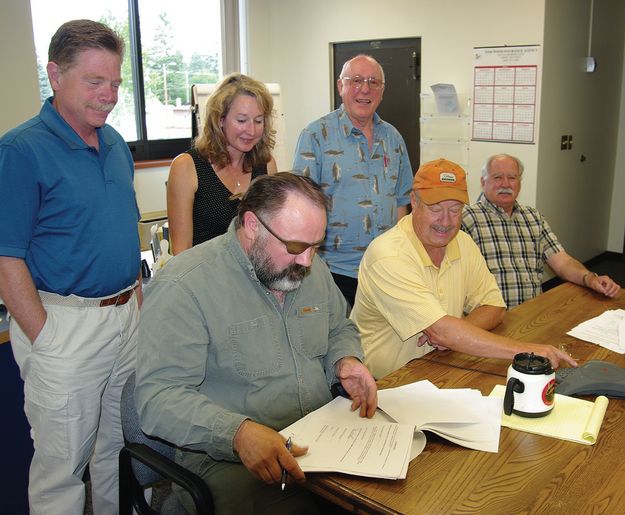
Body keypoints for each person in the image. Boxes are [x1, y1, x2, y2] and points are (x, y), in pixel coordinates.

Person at [135, 172, 377, 514]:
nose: (307, 261)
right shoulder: (185, 286)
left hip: (320, 438)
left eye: (315, 247)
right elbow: (157, 399)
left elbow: (339, 326)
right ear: (252, 226)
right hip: (226, 460)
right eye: (295, 247)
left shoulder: (309, 267)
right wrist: (237, 434)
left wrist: (345, 361)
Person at [0, 20, 141, 515]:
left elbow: (123, 232)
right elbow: (5, 258)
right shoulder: (21, 150)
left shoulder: (116, 144)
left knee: (113, 452)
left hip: (125, 317)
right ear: (55, 75)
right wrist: (45, 336)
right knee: (61, 471)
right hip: (65, 324)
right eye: (95, 82)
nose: (109, 96)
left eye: (116, 83)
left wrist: (135, 305)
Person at [351, 158, 577, 379]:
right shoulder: (388, 255)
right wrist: (526, 351)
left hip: (441, 368)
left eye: (455, 209)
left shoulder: (462, 242)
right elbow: (441, 330)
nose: (446, 221)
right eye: (436, 208)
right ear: (415, 202)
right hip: (384, 385)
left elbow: (495, 306)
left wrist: (456, 335)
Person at [292, 54, 413, 306]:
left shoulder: (393, 138)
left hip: (385, 269)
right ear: (341, 87)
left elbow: (402, 201)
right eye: (356, 80)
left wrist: (397, 254)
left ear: (382, 90)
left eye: (373, 82)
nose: (365, 89)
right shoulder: (315, 136)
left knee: (381, 345)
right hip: (332, 272)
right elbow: (300, 206)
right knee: (340, 343)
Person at [462, 154, 620, 308]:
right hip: (490, 319)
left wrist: (590, 278)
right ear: (483, 182)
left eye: (512, 177)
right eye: (497, 177)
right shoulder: (467, 219)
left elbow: (563, 262)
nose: (506, 184)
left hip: (533, 314)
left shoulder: (533, 217)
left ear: (519, 183)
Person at [167, 73, 278, 255]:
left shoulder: (266, 165)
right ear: (220, 120)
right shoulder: (187, 167)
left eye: (258, 121)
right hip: (206, 277)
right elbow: (181, 251)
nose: (251, 130)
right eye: (241, 120)